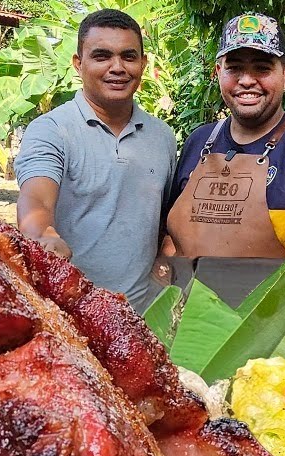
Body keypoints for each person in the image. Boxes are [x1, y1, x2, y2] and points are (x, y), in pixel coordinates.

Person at [15, 9, 177, 311]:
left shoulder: (162, 136)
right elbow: (36, 199)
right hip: (75, 316)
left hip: (146, 316)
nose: (117, 68)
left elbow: (163, 218)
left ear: (143, 63)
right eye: (102, 56)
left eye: (129, 57)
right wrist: (43, 235)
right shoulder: (52, 130)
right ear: (79, 63)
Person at [165, 13, 285, 259]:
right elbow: (169, 238)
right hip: (191, 297)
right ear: (219, 72)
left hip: (272, 298)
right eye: (235, 68)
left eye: (262, 68)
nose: (246, 81)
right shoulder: (199, 142)